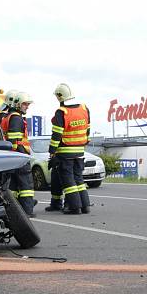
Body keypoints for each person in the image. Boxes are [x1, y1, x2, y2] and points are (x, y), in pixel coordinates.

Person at [48, 83, 91, 214]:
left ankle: (74, 207)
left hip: (65, 152)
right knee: (79, 179)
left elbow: (57, 135)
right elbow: (87, 129)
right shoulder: (84, 108)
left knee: (68, 180)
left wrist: (52, 151)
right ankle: (85, 206)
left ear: (60, 97)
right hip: (80, 151)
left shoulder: (62, 112)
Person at [1, 91, 36, 217]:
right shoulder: (16, 118)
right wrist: (20, 157)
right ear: (17, 104)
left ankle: (16, 211)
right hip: (20, 156)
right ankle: (27, 211)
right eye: (25, 104)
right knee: (26, 185)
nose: (27, 106)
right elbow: (14, 141)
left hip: (13, 157)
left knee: (14, 186)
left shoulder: (9, 116)